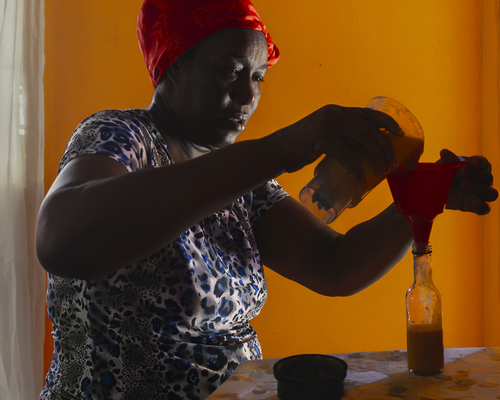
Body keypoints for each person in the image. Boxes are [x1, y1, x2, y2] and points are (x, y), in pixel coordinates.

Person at [36, 1, 498, 399]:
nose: (247, 94)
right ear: (173, 64)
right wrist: (283, 148)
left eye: (258, 77)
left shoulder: (242, 177)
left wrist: (417, 203)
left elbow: (333, 264)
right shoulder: (119, 136)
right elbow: (62, 240)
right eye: (229, 71)